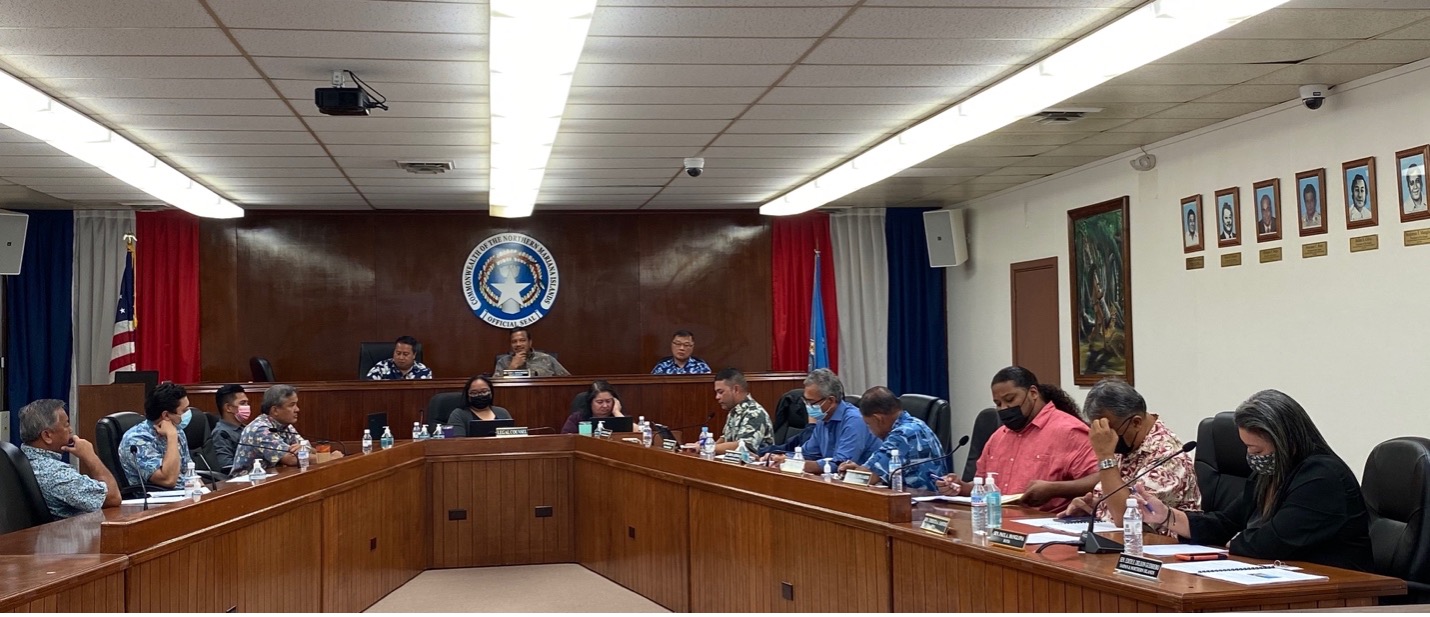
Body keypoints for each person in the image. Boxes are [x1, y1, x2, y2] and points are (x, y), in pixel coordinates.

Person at [1134, 390, 1374, 572]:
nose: (1250, 456)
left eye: (1257, 450)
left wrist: (1236, 541)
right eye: (1247, 448)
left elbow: (1270, 542)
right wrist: (1167, 516)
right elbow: (1227, 523)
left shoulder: (1322, 477)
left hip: (1340, 588)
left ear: (1285, 442)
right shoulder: (1271, 473)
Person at [935, 366, 1097, 512]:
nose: (1004, 408)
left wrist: (1054, 489)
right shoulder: (999, 436)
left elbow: (1100, 480)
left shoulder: (1068, 431)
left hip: (1044, 524)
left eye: (1010, 399)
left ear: (1033, 393)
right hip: (997, 521)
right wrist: (961, 487)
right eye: (998, 403)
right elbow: (985, 486)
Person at [1056, 379, 1200, 533]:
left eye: (1109, 431)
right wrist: (1093, 507)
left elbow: (1127, 518)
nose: (1104, 437)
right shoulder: (1129, 445)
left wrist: (1105, 457)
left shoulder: (1170, 456)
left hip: (1159, 544)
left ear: (1136, 423)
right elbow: (1116, 502)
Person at [759, 368, 879, 474]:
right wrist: (779, 458)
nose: (808, 407)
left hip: (865, 485)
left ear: (830, 401)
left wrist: (792, 463)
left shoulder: (855, 420)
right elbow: (808, 453)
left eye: (811, 402)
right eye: (805, 401)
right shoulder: (823, 419)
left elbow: (840, 464)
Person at [18, 399, 121, 518]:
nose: (70, 430)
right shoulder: (55, 473)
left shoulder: (21, 460)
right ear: (47, 435)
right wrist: (90, 456)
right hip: (72, 529)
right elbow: (112, 498)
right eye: (66, 425)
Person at [839, 386, 947, 491]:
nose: (870, 431)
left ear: (878, 419)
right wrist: (858, 469)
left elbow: (865, 478)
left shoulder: (902, 434)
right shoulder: (916, 424)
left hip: (921, 500)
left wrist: (851, 474)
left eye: (868, 424)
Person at [118, 381, 194, 489]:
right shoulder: (136, 440)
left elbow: (189, 473)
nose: (188, 413)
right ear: (166, 415)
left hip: (186, 493)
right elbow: (168, 480)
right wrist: (172, 437)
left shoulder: (178, 430)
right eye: (184, 410)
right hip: (158, 497)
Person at [232, 384, 314, 473]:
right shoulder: (260, 429)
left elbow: (308, 448)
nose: (297, 409)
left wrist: (304, 448)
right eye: (291, 405)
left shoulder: (286, 426)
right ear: (275, 410)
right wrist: (320, 458)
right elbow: (290, 459)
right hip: (247, 480)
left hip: (271, 476)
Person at [688, 368, 771, 454]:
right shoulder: (734, 411)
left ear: (736, 389)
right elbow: (726, 438)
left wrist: (705, 447)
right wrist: (706, 446)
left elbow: (742, 446)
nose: (717, 397)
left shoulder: (754, 413)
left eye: (720, 392)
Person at [200, 384, 250, 473]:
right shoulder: (221, 433)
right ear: (228, 408)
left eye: (247, 403)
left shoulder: (245, 428)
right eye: (242, 403)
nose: (247, 406)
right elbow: (226, 466)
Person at [447, 375, 513, 437]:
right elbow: (457, 441)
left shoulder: (502, 412)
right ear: (467, 395)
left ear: (491, 393)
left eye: (484, 392)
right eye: (474, 393)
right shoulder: (459, 414)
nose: (480, 395)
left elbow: (512, 438)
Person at [495, 328, 570, 377]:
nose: (518, 344)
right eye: (514, 341)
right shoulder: (503, 362)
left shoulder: (547, 359)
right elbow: (495, 387)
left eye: (522, 340)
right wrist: (512, 367)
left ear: (530, 342)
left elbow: (567, 380)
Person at [560, 381, 625, 434]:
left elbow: (631, 435)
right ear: (590, 402)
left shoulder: (618, 416)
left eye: (608, 401)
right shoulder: (577, 418)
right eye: (600, 402)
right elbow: (565, 438)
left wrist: (617, 412)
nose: (605, 405)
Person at [365, 335, 432, 380]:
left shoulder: (423, 371)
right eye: (398, 353)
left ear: (414, 355)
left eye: (405, 354)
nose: (401, 357)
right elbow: (368, 389)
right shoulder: (381, 368)